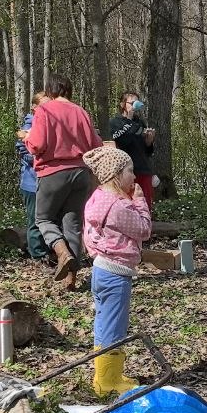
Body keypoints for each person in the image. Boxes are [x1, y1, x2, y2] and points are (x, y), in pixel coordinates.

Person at [82, 145, 152, 397]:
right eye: (130, 171)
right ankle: (107, 381)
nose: (134, 177)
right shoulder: (118, 206)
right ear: (115, 174)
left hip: (101, 269)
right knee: (114, 326)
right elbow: (143, 229)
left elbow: (88, 236)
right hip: (115, 274)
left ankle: (108, 373)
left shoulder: (97, 199)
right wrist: (140, 200)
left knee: (105, 323)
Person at [25, 75, 100, 289]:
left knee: (43, 219)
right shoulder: (81, 112)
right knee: (73, 224)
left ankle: (61, 251)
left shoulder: (44, 111)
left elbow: (37, 144)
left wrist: (27, 138)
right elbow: (95, 143)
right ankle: (71, 280)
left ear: (50, 90)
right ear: (69, 90)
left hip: (53, 172)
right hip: (81, 172)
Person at [106, 92, 157, 208]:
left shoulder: (140, 122)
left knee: (145, 207)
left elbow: (147, 151)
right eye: (132, 103)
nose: (135, 105)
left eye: (137, 102)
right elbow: (122, 141)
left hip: (143, 170)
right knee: (127, 206)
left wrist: (149, 142)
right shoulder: (115, 122)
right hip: (125, 172)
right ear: (123, 104)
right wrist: (128, 120)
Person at [16, 91, 50, 260]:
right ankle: (37, 253)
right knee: (35, 220)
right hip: (31, 182)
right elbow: (25, 153)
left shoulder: (49, 124)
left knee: (48, 218)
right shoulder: (29, 126)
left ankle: (47, 250)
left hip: (48, 181)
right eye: (44, 105)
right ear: (34, 107)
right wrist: (43, 156)